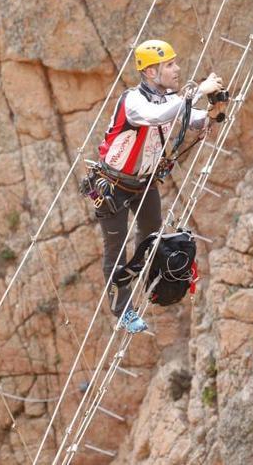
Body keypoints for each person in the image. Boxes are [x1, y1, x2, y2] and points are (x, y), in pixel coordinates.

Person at [92, 39, 225, 333]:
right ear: (151, 72)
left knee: (151, 238)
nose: (177, 69)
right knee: (115, 250)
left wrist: (215, 109)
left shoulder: (168, 100)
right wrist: (197, 92)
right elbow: (158, 116)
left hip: (144, 184)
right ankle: (123, 311)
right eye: (170, 65)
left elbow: (192, 119)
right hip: (113, 187)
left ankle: (149, 282)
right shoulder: (133, 102)